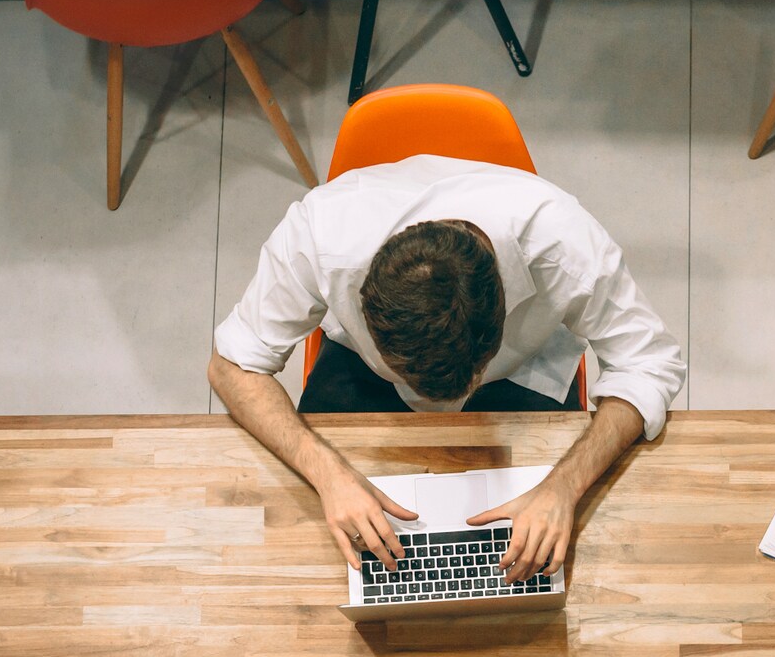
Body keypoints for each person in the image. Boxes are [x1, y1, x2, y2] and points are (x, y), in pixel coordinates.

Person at [208, 155, 686, 581]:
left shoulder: (564, 241)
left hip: (519, 376)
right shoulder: (318, 234)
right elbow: (231, 366)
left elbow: (649, 362)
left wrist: (565, 485)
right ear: (367, 313)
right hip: (362, 375)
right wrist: (327, 472)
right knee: (302, 558)